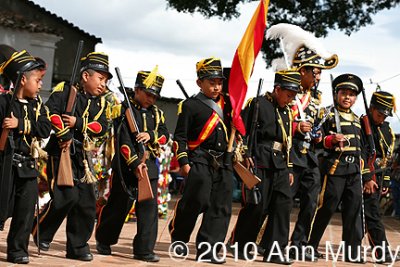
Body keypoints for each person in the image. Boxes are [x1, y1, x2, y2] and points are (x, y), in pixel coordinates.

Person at [31, 52, 112, 261]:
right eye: (100, 78)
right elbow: (50, 113)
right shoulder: (65, 92)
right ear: (86, 76)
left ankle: (77, 247)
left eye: (105, 80)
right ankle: (40, 230)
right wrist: (64, 132)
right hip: (60, 150)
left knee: (86, 201)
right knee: (66, 196)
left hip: (82, 156)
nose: (103, 84)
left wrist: (78, 123)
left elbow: (102, 127)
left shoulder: (100, 104)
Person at [95, 66, 169, 262]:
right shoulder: (123, 111)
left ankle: (144, 249)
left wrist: (151, 135)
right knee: (118, 205)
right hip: (126, 167)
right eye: (147, 94)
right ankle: (104, 240)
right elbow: (123, 140)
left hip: (149, 167)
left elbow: (164, 135)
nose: (151, 99)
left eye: (155, 95)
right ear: (136, 90)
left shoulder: (157, 114)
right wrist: (135, 162)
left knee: (148, 209)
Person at [228, 70, 300, 265]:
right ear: (277, 89)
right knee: (256, 206)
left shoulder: (287, 112)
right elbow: (241, 130)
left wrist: (290, 167)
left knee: (283, 206)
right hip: (259, 159)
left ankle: (275, 250)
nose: (291, 98)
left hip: (280, 165)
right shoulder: (258, 103)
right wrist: (244, 154)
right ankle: (241, 245)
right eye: (289, 94)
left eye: (294, 95)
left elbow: (288, 141)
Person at [168, 57, 233, 264]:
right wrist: (184, 162)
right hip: (199, 160)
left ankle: (208, 249)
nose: (216, 87)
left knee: (220, 207)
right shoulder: (190, 105)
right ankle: (179, 235)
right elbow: (180, 136)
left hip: (224, 161)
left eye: (219, 82)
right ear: (199, 83)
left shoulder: (229, 103)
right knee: (197, 201)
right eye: (211, 82)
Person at [308, 74, 367, 263]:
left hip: (354, 172)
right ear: (336, 94)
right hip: (335, 169)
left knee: (353, 212)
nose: (347, 97)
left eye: (351, 94)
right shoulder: (326, 113)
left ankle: (352, 252)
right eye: (344, 93)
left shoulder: (359, 120)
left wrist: (365, 172)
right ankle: (310, 245)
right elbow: (316, 139)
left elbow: (363, 148)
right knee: (326, 208)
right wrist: (330, 140)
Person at [0, 48, 51, 264]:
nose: (40, 85)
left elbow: (44, 128)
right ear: (22, 80)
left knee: (25, 211)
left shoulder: (38, 106)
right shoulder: (3, 102)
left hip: (28, 165)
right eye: (37, 80)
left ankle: (18, 250)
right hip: (5, 165)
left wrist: (19, 124)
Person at [362, 90, 400, 263]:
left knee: (368, 216)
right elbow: (362, 154)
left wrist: (385, 181)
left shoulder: (386, 130)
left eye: (385, 115)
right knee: (373, 215)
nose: (382, 118)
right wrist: (367, 177)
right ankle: (381, 251)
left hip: (379, 176)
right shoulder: (362, 124)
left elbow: (387, 158)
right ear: (371, 108)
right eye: (379, 114)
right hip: (365, 176)